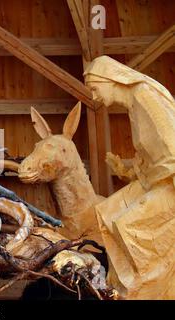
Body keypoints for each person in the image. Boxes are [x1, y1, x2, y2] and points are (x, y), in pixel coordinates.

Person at [84, 55, 175, 299]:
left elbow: (172, 146)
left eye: (94, 89)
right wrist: (125, 171)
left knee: (128, 224)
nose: (94, 97)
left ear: (110, 79)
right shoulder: (134, 104)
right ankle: (122, 285)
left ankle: (149, 287)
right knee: (107, 211)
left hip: (171, 185)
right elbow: (151, 159)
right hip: (155, 182)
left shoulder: (145, 95)